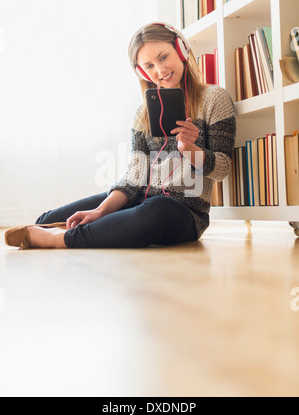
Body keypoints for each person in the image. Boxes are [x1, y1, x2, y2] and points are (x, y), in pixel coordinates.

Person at [5, 22, 236, 250]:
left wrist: (189, 149)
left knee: (158, 208)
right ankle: (92, 227)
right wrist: (100, 211)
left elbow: (223, 168)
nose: (160, 70)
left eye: (163, 57)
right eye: (149, 65)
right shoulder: (142, 114)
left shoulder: (215, 99)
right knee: (45, 221)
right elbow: (134, 177)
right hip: (137, 201)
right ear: (141, 71)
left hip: (184, 213)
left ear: (181, 49)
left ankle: (59, 240)